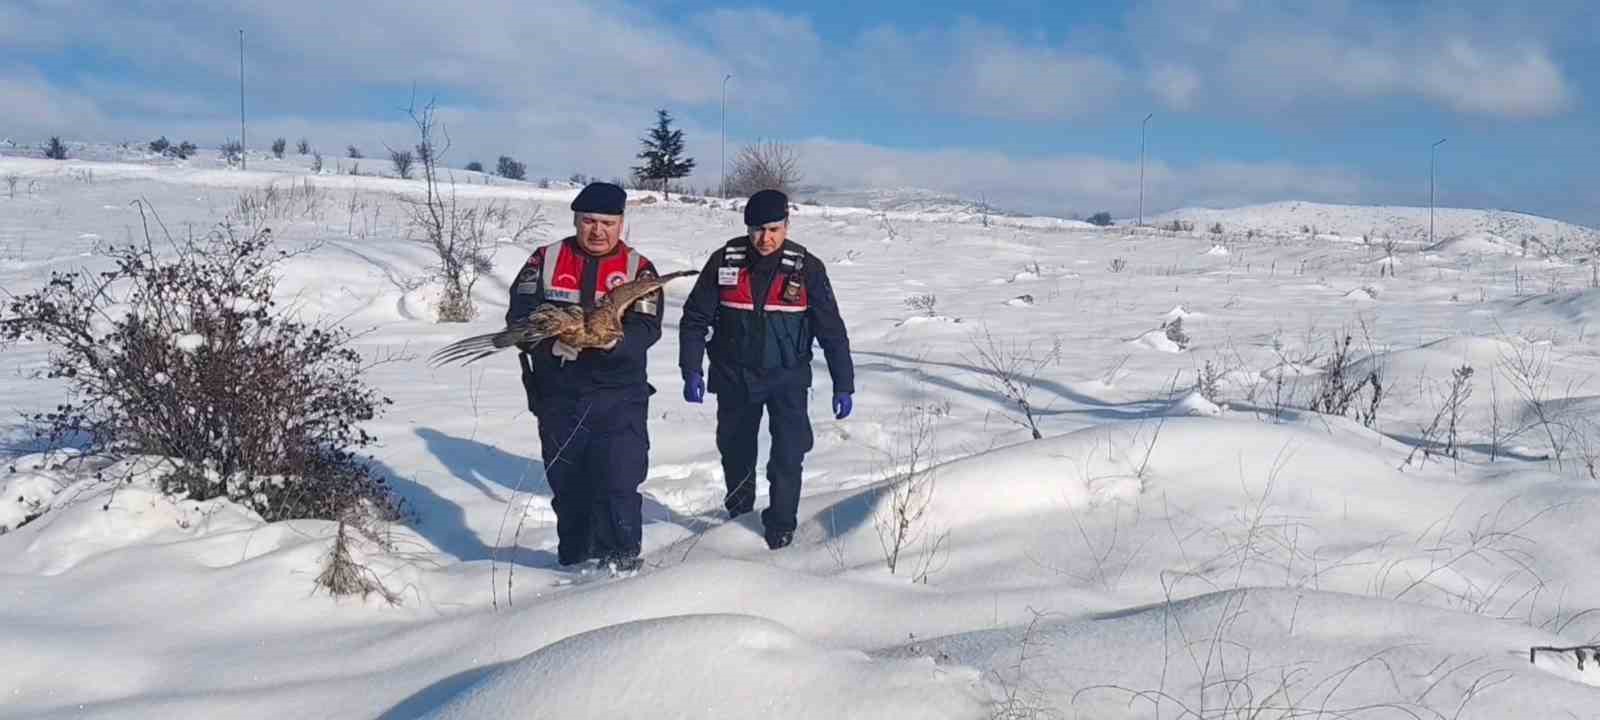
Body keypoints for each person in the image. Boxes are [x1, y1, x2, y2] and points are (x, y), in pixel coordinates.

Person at [678, 189, 854, 550]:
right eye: (757, 229)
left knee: (788, 454)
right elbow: (695, 319)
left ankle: (781, 528)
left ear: (787, 226)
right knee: (736, 451)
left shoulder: (807, 268)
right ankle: (739, 517)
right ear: (747, 227)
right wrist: (691, 368)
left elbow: (831, 330)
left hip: (787, 378)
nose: (765, 238)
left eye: (774, 228)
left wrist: (843, 383)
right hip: (733, 376)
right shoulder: (725, 260)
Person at [506, 182, 662, 574]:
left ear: (621, 223)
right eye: (589, 221)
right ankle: (574, 566)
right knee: (569, 487)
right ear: (576, 220)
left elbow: (647, 327)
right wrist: (547, 348)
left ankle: (622, 566)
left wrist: (612, 345)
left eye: (607, 223)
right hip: (559, 395)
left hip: (619, 396)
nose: (598, 231)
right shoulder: (545, 260)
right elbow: (518, 318)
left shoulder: (638, 269)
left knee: (619, 484)